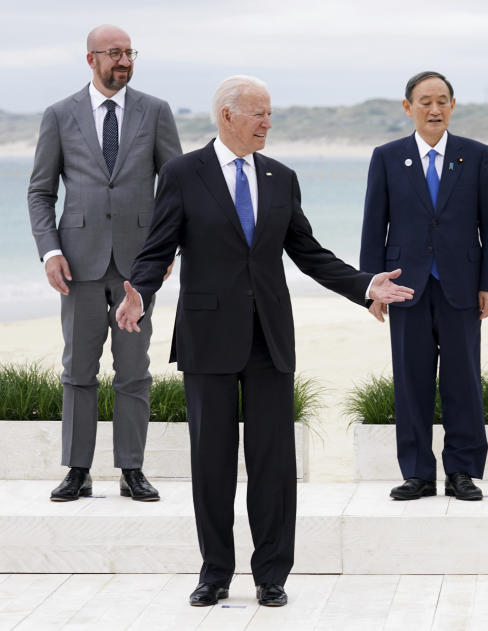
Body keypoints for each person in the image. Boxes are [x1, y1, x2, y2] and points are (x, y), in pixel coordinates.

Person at [115, 75, 413, 607]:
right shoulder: (184, 174)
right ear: (227, 116)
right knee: (212, 460)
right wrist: (138, 289)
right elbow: (157, 247)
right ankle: (215, 573)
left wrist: (366, 285)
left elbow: (309, 251)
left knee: (273, 462)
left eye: (270, 113)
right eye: (259, 113)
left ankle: (271, 574)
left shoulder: (281, 176)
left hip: (269, 336)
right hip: (207, 335)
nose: (267, 122)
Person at [27, 24, 182, 502]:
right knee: (78, 369)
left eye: (129, 53)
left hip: (139, 266)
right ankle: (77, 470)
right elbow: (41, 192)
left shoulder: (155, 111)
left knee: (134, 370)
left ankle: (132, 469)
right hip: (78, 264)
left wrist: (166, 250)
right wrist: (50, 250)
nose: (124, 61)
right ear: (90, 59)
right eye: (114, 53)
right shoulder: (59, 115)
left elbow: (173, 187)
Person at [360, 71, 488, 501]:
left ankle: (461, 471)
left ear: (453, 106)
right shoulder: (386, 157)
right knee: (410, 382)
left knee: (463, 381)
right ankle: (418, 473)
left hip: (462, 285)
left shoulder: (476, 156)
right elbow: (374, 225)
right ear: (408, 107)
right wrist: (371, 287)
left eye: (442, 100)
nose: (434, 109)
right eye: (425, 101)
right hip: (405, 287)